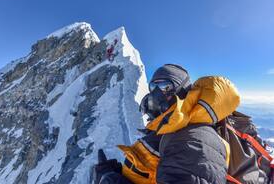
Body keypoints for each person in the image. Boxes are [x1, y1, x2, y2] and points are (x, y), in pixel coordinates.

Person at [93, 64, 240, 184]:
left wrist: (110, 180)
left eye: (165, 87)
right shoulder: (168, 129)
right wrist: (121, 174)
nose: (156, 94)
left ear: (181, 93)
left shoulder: (195, 141)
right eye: (153, 87)